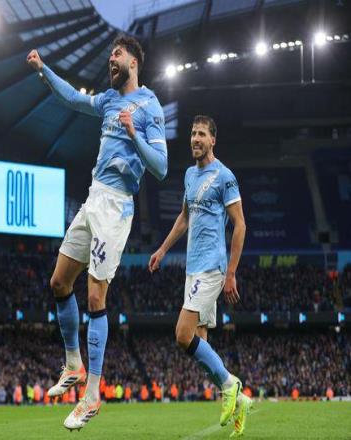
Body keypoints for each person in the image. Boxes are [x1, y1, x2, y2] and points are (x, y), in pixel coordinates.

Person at [27, 35, 167, 430]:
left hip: (116, 207)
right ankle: (73, 363)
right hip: (93, 199)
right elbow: (73, 98)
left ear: (134, 62)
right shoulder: (107, 100)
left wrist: (134, 133)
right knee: (59, 282)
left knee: (94, 296)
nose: (111, 59)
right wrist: (43, 70)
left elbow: (160, 167)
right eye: (110, 55)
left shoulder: (150, 106)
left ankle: (91, 396)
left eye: (117, 54)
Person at [148, 115, 252, 438]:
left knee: (182, 335)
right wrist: (163, 249)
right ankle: (240, 401)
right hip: (192, 268)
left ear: (212, 140)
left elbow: (240, 225)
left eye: (202, 134)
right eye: (193, 133)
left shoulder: (225, 177)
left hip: (212, 267)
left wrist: (231, 272)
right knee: (200, 345)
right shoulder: (190, 175)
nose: (195, 138)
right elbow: (184, 217)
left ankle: (230, 385)